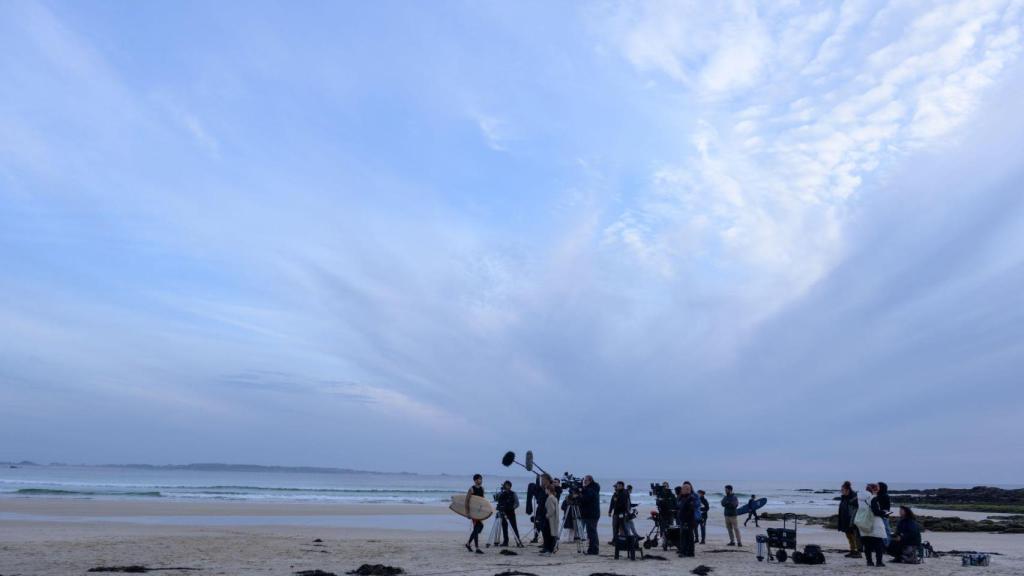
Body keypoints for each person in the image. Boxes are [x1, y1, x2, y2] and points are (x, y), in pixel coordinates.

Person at [861, 483, 888, 567]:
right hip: (874, 523)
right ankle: (879, 562)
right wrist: (884, 512)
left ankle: (869, 561)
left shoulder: (861, 499)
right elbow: (875, 511)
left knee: (867, 544)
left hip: (864, 522)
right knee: (878, 543)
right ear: (875, 490)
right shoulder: (873, 498)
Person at [837, 481, 862, 558]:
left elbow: (856, 510)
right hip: (845, 519)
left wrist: (853, 521)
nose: (841, 491)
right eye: (841, 489)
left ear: (847, 489)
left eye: (842, 489)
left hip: (852, 520)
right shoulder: (844, 497)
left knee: (855, 536)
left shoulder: (854, 497)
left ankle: (858, 552)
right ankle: (852, 550)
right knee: (849, 536)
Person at [496, 480, 522, 547]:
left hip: (511, 513)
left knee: (514, 527)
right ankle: (505, 542)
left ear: (510, 486)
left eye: (507, 485)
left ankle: (518, 541)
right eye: (505, 485)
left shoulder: (513, 493)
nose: (506, 486)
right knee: (504, 527)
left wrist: (512, 508)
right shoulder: (502, 493)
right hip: (503, 512)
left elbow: (517, 503)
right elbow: (497, 499)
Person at [580, 475, 601, 555]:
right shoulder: (591, 489)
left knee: (592, 532)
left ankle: (594, 550)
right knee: (591, 532)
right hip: (589, 514)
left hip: (591, 514)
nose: (584, 482)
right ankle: (592, 549)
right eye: (584, 481)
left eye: (585, 481)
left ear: (590, 481)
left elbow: (586, 499)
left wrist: (580, 495)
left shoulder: (591, 489)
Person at [465, 474, 485, 554]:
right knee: (477, 528)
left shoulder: (482, 489)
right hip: (473, 512)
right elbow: (466, 501)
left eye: (481, 479)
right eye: (479, 479)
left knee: (479, 527)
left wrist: (484, 511)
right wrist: (467, 513)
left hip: (479, 512)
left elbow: (482, 501)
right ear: (475, 480)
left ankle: (468, 544)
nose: (480, 480)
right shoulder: (471, 489)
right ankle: (477, 548)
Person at [676, 484, 696, 557]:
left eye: (684, 489)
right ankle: (686, 551)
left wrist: (685, 521)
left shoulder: (691, 498)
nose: (682, 490)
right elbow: (679, 506)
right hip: (683, 520)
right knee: (684, 536)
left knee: (687, 537)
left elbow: (690, 511)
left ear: (688, 490)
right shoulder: (682, 497)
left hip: (688, 521)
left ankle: (687, 552)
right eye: (682, 489)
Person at [542, 482, 560, 554]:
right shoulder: (554, 497)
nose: (545, 491)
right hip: (553, 519)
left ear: (549, 490)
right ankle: (551, 549)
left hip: (550, 520)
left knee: (548, 535)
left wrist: (547, 515)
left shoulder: (550, 498)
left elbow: (551, 510)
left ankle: (549, 550)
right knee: (551, 534)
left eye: (546, 489)